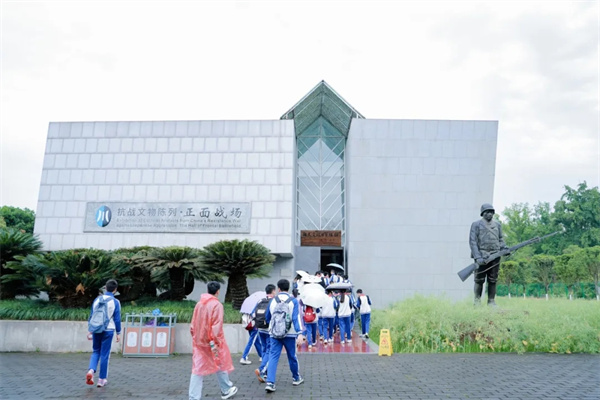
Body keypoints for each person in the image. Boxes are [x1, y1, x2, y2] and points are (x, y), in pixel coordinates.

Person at [189, 281, 238, 400]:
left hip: (199, 342)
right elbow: (216, 326)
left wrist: (196, 338)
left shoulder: (199, 304)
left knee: (197, 369)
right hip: (212, 342)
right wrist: (216, 342)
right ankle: (226, 389)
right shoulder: (217, 305)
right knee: (220, 363)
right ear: (218, 291)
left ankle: (194, 397)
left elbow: (193, 324)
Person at [264, 279, 305, 392]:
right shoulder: (293, 301)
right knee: (292, 356)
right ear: (288, 288)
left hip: (274, 333)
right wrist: (299, 333)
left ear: (278, 289)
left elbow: (267, 317)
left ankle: (270, 383)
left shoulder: (273, 301)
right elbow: (295, 318)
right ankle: (296, 378)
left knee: (273, 357)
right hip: (289, 334)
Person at [469, 203, 508, 306]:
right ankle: (477, 301)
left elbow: (500, 239)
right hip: (482, 256)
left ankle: (491, 301)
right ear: (483, 213)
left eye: (491, 212)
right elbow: (473, 242)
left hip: (495, 256)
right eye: (487, 212)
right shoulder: (476, 224)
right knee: (479, 280)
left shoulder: (497, 225)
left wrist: (504, 248)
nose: (490, 214)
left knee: (493, 280)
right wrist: (477, 257)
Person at [86, 279, 121, 388]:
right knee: (105, 355)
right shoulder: (115, 302)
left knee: (96, 351)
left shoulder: (97, 299)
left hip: (96, 329)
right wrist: (118, 332)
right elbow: (117, 319)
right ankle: (101, 380)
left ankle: (91, 371)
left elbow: (92, 315)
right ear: (115, 290)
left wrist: (90, 329)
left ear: (105, 288)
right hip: (108, 330)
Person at [254, 284, 276, 383]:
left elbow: (254, 313)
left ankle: (265, 371)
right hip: (269, 329)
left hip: (260, 328)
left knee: (264, 349)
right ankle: (261, 369)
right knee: (270, 350)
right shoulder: (273, 301)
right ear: (273, 291)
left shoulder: (260, 301)